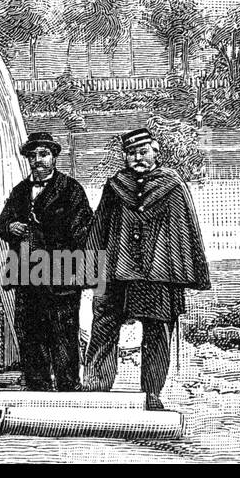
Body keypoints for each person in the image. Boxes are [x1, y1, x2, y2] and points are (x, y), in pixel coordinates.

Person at [83, 128, 212, 410]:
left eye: (143, 152)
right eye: (131, 153)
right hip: (117, 271)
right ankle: (95, 389)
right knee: (103, 327)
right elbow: (99, 229)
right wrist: (91, 270)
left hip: (158, 274)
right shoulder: (115, 186)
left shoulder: (173, 185)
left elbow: (185, 234)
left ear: (156, 151)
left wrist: (183, 276)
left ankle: (151, 395)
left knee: (156, 333)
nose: (137, 158)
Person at [0, 131, 95, 391]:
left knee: (62, 332)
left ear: (54, 157)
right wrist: (10, 226)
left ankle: (68, 387)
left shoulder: (71, 189)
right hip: (27, 272)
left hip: (60, 271)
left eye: (44, 154)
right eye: (33, 155)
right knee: (30, 331)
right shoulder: (19, 191)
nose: (38, 160)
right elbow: (1, 223)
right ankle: (37, 386)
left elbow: (84, 233)